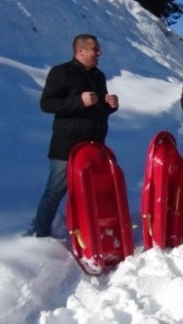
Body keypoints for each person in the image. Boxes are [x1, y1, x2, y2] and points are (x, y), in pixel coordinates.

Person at [33, 34, 119, 237]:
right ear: (80, 52)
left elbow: (98, 109)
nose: (99, 53)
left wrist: (111, 105)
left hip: (95, 144)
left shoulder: (98, 76)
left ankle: (90, 233)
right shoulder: (61, 72)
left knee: (92, 190)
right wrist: (78, 101)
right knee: (55, 190)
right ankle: (40, 235)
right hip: (67, 144)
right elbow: (47, 104)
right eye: (95, 49)